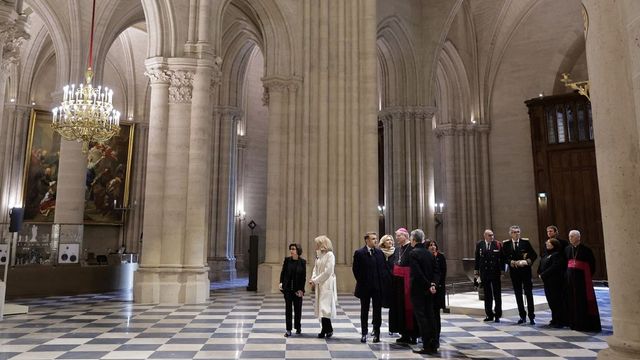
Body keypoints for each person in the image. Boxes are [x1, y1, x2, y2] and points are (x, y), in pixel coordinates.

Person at [408, 229, 439, 354]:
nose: (410, 240)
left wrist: (428, 285)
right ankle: (434, 344)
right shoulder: (429, 253)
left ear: (414, 240)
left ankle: (426, 345)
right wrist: (433, 284)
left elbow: (417, 273)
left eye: (411, 238)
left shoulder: (413, 253)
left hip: (418, 290)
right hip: (429, 290)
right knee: (430, 316)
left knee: (422, 318)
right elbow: (436, 271)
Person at [565, 230, 601, 332]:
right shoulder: (567, 249)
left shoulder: (586, 250)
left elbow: (592, 265)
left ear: (578, 237)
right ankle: (574, 323)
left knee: (583, 302)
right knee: (572, 301)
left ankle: (584, 324)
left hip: (582, 281)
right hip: (571, 280)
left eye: (572, 236)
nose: (570, 238)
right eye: (569, 236)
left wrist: (586, 276)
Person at [352, 232, 385, 343]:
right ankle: (364, 333)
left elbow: (382, 269)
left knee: (377, 311)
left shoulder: (380, 253)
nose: (375, 241)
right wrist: (362, 281)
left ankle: (377, 333)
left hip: (377, 288)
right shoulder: (359, 253)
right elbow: (355, 270)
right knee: (364, 310)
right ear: (367, 240)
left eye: (376, 239)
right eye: (373, 239)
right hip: (365, 287)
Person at [502, 225, 538, 325]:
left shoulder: (525, 242)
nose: (516, 234)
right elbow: (503, 257)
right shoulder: (506, 244)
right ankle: (522, 316)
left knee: (529, 294)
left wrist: (526, 261)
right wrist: (511, 262)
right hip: (514, 273)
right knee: (518, 294)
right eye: (514, 232)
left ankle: (531, 316)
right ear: (510, 233)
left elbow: (534, 255)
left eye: (518, 232)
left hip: (525, 272)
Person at [389, 227, 417, 344]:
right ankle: (404, 334)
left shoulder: (411, 248)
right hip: (398, 284)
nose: (397, 238)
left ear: (405, 236)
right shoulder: (397, 249)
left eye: (398, 236)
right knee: (400, 309)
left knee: (410, 309)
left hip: (408, 282)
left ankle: (413, 335)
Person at [310, 235, 338, 338]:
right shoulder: (319, 255)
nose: (315, 245)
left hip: (326, 284)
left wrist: (316, 280)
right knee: (321, 308)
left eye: (317, 243)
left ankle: (327, 329)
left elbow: (328, 272)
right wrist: (313, 278)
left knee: (325, 308)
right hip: (320, 284)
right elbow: (315, 268)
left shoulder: (330, 255)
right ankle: (326, 329)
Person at [474, 229, 504, 322]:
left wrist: (502, 272)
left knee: (497, 294)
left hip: (495, 272)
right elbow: (477, 258)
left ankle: (498, 314)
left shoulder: (497, 244)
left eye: (492, 235)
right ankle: (489, 314)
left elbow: (502, 258)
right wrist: (476, 272)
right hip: (485, 273)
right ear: (485, 236)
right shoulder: (480, 244)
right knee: (487, 295)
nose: (492, 237)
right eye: (490, 235)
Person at [279, 243, 307, 337]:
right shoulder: (287, 260)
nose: (291, 251)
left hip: (298, 289)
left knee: (298, 309)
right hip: (288, 289)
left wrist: (302, 290)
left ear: (298, 250)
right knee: (288, 310)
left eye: (293, 249)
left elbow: (303, 277)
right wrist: (281, 283)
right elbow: (283, 273)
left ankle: (298, 327)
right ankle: (288, 330)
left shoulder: (302, 262)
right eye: (291, 249)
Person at [537, 238, 565, 328]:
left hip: (555, 281)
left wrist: (543, 274)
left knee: (557, 301)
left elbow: (555, 267)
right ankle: (554, 319)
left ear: (554, 245)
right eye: (547, 243)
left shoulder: (557, 254)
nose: (547, 244)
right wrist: (539, 272)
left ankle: (560, 320)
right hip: (547, 282)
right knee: (551, 301)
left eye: (549, 243)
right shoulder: (545, 254)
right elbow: (541, 264)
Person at [427, 240, 446, 344]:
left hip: (438, 290)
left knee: (436, 314)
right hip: (429, 289)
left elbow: (442, 274)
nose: (433, 247)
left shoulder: (440, 257)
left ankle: (436, 334)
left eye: (434, 245)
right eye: (430, 245)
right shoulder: (427, 257)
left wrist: (436, 285)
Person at [377, 234, 395, 310]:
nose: (390, 241)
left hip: (393, 279)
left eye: (391, 240)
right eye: (387, 240)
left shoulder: (396, 251)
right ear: (383, 242)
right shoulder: (378, 252)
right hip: (382, 280)